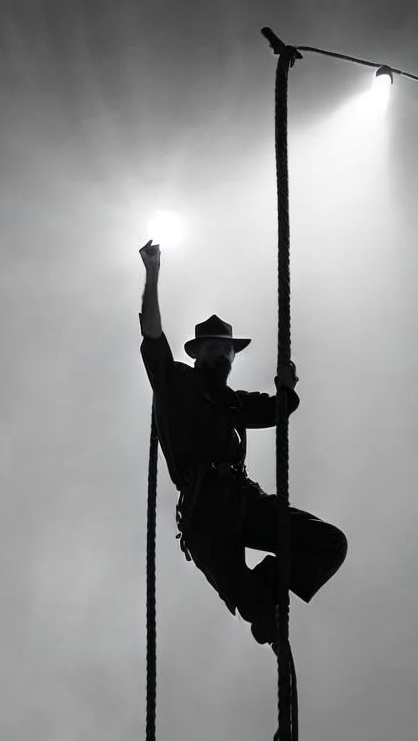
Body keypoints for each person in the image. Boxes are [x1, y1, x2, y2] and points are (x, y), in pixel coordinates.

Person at [137, 239, 347, 644]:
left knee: (329, 542)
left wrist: (286, 389)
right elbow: (152, 334)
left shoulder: (234, 402)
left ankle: (268, 586)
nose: (222, 355)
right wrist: (152, 273)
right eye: (214, 348)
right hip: (206, 508)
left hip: (243, 499)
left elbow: (277, 410)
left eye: (228, 351)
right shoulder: (175, 382)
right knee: (256, 613)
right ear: (198, 353)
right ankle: (262, 602)